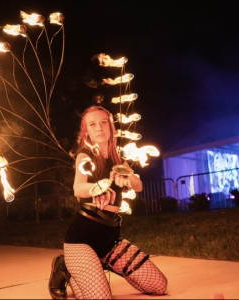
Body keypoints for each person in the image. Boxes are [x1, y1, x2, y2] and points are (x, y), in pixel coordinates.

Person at [49, 105, 168, 299]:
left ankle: (101, 263)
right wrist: (99, 187)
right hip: (81, 239)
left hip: (110, 240)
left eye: (104, 122)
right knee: (100, 297)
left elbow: (138, 186)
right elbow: (78, 188)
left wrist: (128, 177)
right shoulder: (85, 157)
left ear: (111, 128)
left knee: (159, 286)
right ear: (86, 131)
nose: (99, 128)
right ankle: (65, 267)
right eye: (92, 124)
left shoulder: (119, 160)